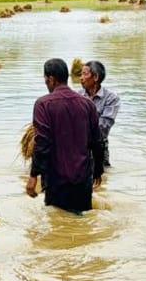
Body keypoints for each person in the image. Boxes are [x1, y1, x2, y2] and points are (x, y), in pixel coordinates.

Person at [26, 58, 102, 214]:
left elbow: (42, 143)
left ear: (51, 79)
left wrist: (34, 176)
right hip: (83, 179)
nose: (46, 83)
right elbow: (97, 141)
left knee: (57, 223)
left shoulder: (43, 104)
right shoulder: (88, 104)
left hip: (57, 180)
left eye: (46, 80)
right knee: (82, 222)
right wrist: (98, 171)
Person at [79, 59, 119, 166]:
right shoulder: (78, 96)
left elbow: (104, 126)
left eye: (84, 74)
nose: (81, 78)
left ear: (95, 77)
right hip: (79, 147)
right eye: (80, 74)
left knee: (101, 177)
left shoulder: (111, 98)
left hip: (98, 146)